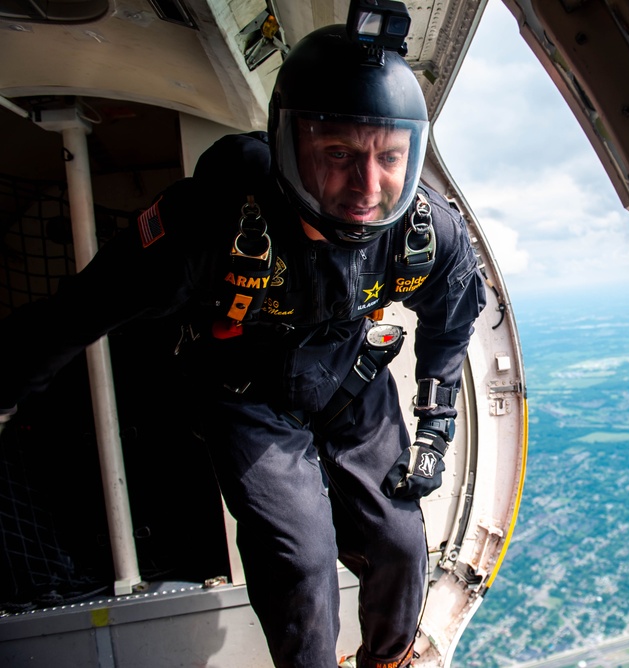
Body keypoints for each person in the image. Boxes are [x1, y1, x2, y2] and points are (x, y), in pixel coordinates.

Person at [0, 24, 486, 668]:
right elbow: (81, 311)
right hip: (246, 395)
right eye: (339, 153)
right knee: (302, 564)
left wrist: (435, 431)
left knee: (401, 545)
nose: (369, 187)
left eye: (389, 157)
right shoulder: (213, 220)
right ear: (292, 145)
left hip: (351, 381)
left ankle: (389, 661)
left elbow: (454, 314)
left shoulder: (424, 230)